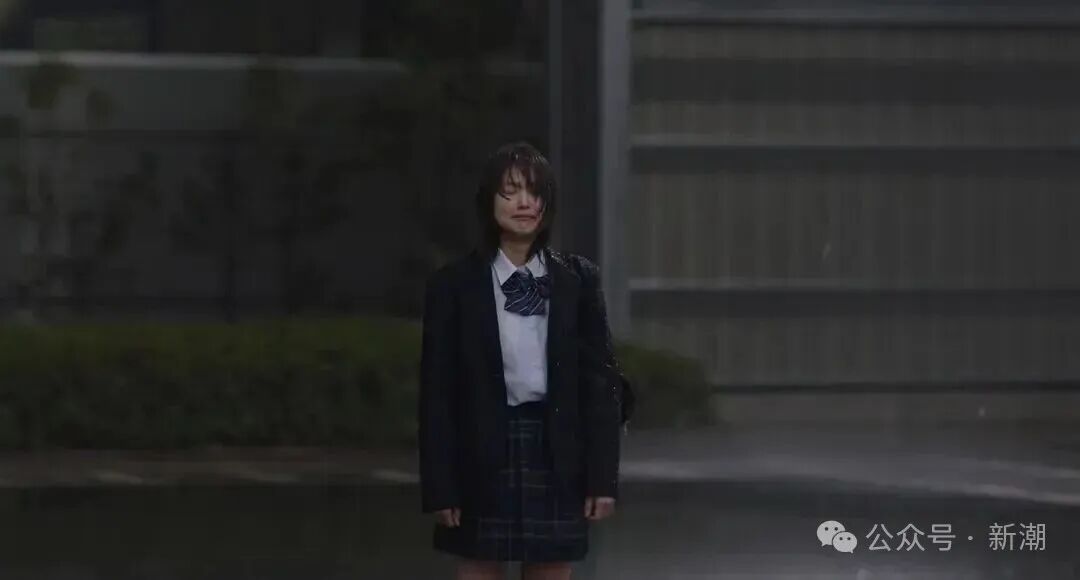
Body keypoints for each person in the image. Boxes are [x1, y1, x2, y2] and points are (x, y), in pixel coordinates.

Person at [418, 141, 625, 579]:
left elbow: (601, 386)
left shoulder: (578, 280)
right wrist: (440, 486)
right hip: (480, 449)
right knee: (478, 564)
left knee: (551, 566)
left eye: (535, 192)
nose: (524, 203)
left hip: (557, 450)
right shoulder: (453, 285)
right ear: (488, 202)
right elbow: (437, 393)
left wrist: (602, 479)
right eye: (510, 192)